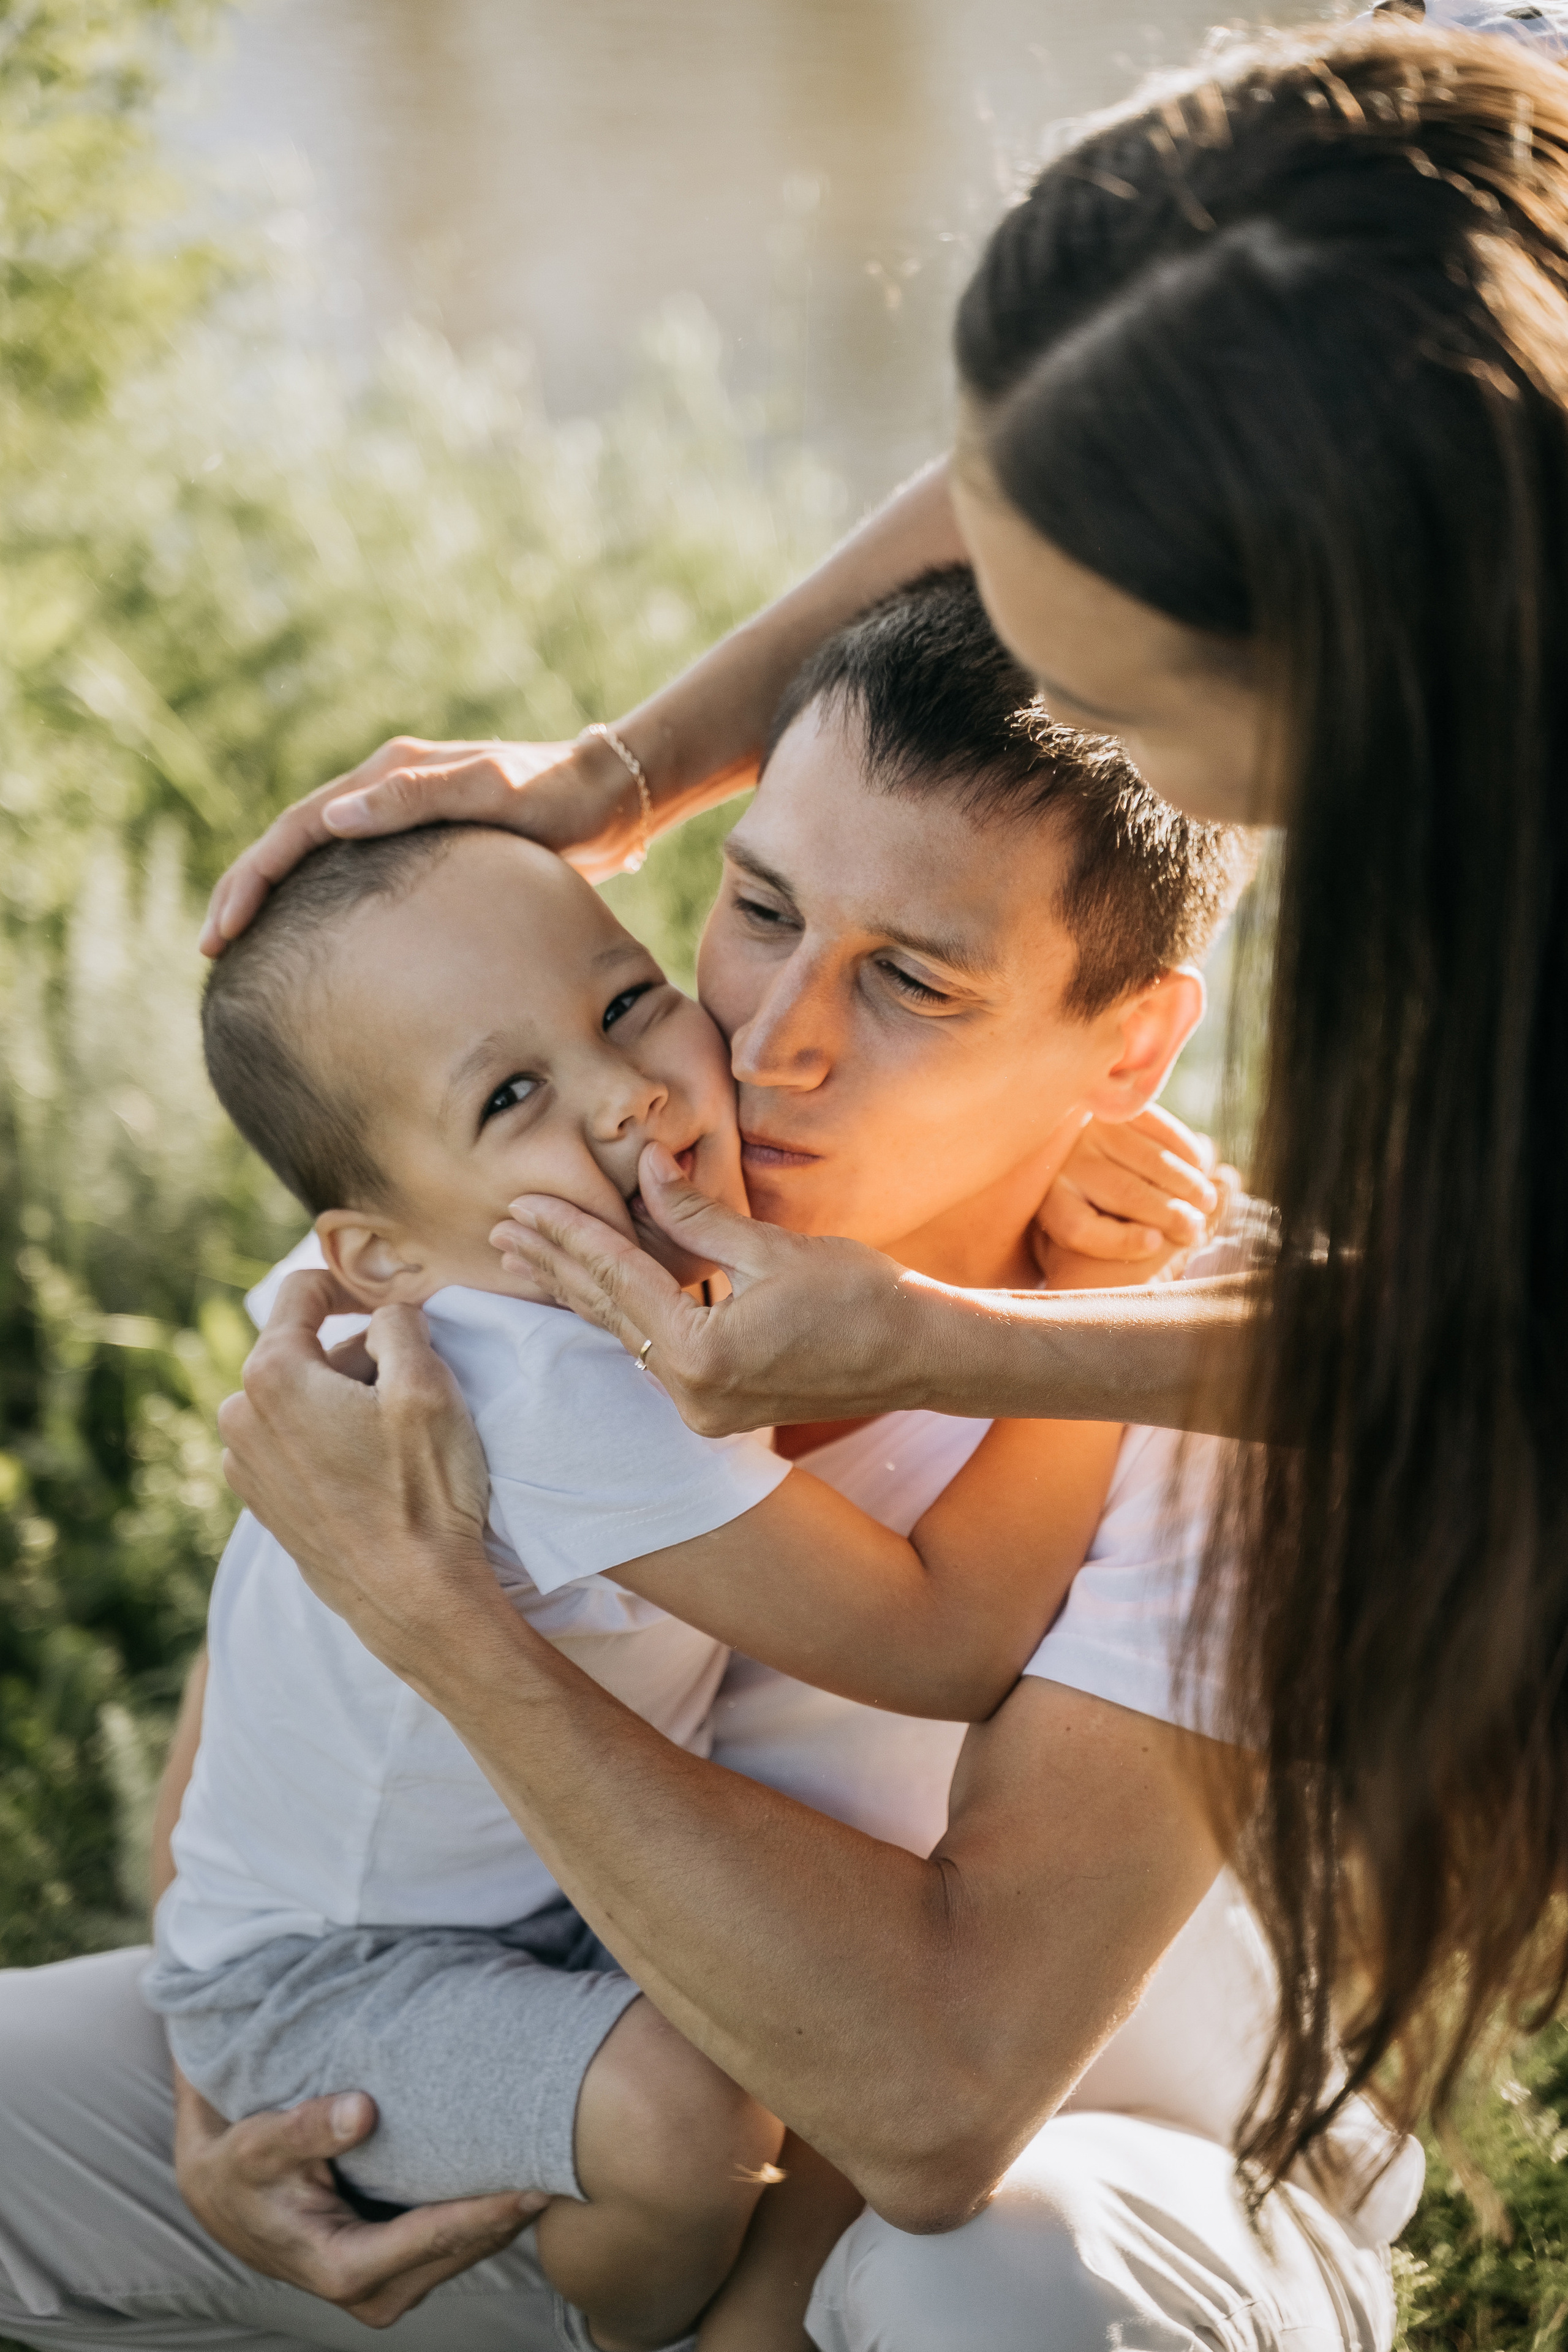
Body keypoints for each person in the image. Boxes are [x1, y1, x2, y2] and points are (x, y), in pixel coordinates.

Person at [195, 0, 1568, 2210]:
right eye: (738, 921)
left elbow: (1483, 1362)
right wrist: (617, 779)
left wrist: (967, 1345)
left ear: (1375, 664)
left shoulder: (1201, 1278)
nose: (754, 1044)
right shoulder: (568, 1200)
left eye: (1112, 685)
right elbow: (1037, 466)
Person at [0, 573, 1415, 2352]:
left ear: (1129, 1044)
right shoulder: (520, 1232)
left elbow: (942, 2100)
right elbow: (246, 1782)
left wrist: (455, 1629)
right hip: (581, 2107)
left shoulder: (1208, 1376)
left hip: (1060, 2165)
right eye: (757, 910)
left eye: (910, 979)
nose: (768, 1041)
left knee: (987, 2289)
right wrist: (234, 2110)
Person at [154, 786, 1158, 2347]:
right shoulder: (553, 1384)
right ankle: (611, 2328)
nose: (626, 1095)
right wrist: (1088, 1314)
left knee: (791, 2073)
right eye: (510, 1099)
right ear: (386, 1257)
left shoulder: (449, 1264)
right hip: (338, 1975)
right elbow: (947, 1638)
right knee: (681, 2129)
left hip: (528, 1909)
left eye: (629, 1002)